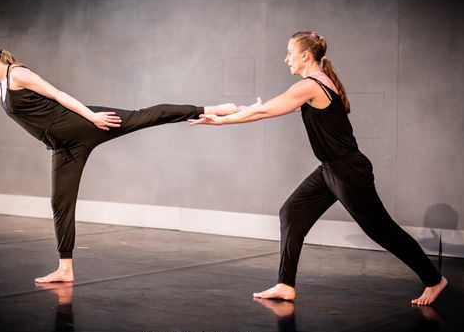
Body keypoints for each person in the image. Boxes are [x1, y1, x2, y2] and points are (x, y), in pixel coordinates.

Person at [189, 31, 447, 305]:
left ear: (305, 55)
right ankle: (285, 285)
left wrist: (220, 122)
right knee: (292, 211)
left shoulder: (311, 85)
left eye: (290, 52)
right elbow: (265, 107)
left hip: (348, 171)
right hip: (330, 170)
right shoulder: (314, 85)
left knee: (382, 230)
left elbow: (263, 112)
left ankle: (434, 280)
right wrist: (221, 111)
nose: (286, 58)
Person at [0, 38, 238, 283]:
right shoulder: (2, 87)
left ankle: (210, 109)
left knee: (143, 117)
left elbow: (58, 95)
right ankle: (65, 269)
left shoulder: (18, 74)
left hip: (84, 124)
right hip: (64, 147)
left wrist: (92, 116)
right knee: (60, 202)